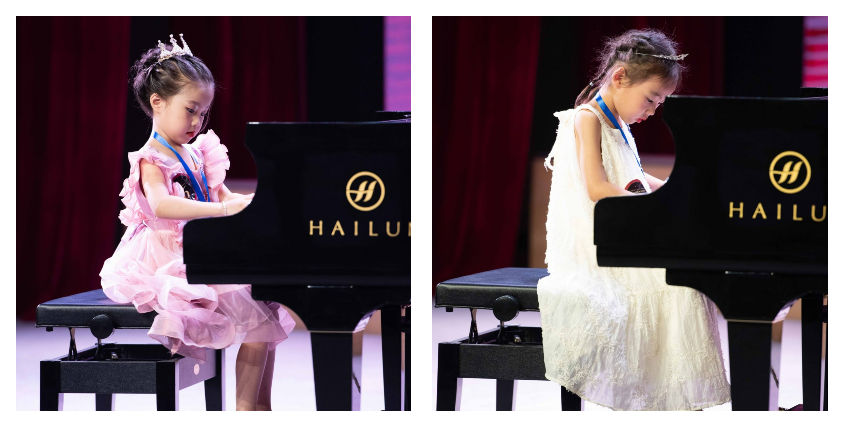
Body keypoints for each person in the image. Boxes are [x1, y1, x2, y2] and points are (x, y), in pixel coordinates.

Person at [537, 29, 731, 411]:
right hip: (593, 251)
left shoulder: (621, 124)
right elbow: (597, 188)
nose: (653, 110)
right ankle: (665, 400)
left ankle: (672, 400)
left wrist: (679, 190)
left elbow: (637, 178)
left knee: (688, 277)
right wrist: (658, 205)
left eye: (659, 102)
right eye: (651, 98)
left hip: (620, 237)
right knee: (681, 285)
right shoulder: (587, 118)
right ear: (620, 77)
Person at [100, 34, 296, 411]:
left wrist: (255, 204)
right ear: (157, 103)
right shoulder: (150, 158)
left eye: (203, 113)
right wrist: (222, 212)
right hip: (167, 256)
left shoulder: (197, 152)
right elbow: (162, 204)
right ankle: (245, 412)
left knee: (267, 305)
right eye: (190, 110)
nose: (197, 121)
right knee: (257, 319)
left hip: (203, 248)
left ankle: (262, 409)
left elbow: (221, 196)